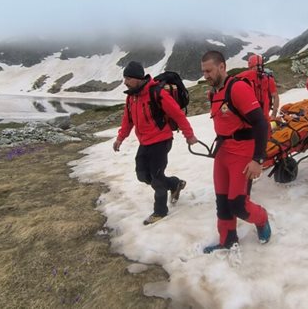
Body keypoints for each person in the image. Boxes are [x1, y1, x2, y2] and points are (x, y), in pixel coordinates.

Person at [200, 51, 271, 253]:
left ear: (222, 67)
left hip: (242, 152)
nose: (205, 75)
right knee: (222, 201)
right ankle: (228, 240)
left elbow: (260, 123)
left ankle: (262, 218)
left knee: (238, 204)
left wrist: (257, 159)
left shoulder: (237, 88)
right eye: (203, 71)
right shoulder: (214, 91)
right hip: (223, 152)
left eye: (209, 70)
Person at [113, 61, 198, 225]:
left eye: (128, 78)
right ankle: (175, 184)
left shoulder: (157, 93)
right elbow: (127, 120)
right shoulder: (131, 97)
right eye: (125, 78)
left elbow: (178, 115)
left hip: (161, 140)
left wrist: (189, 135)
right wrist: (120, 138)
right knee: (142, 175)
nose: (125, 82)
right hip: (144, 142)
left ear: (138, 78)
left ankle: (160, 211)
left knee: (157, 178)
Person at [237, 54, 280, 122]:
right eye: (251, 68)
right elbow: (275, 96)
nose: (253, 70)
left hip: (262, 117)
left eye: (254, 67)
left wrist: (274, 114)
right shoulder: (245, 77)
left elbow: (275, 96)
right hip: (250, 118)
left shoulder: (268, 79)